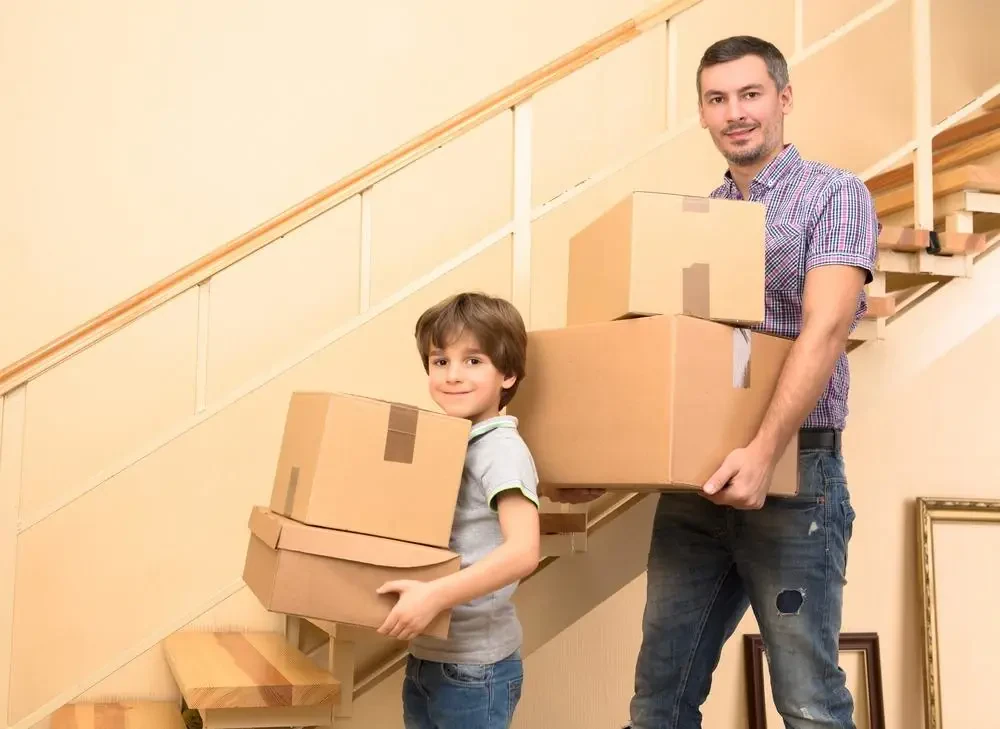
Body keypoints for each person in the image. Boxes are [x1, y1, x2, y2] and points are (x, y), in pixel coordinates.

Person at [556, 36, 879, 729]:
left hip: (795, 472)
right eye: (717, 99)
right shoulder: (696, 223)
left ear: (784, 99)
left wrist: (763, 451)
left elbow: (825, 329)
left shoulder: (836, 194)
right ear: (702, 114)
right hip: (696, 484)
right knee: (658, 701)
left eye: (750, 94)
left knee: (808, 703)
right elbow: (666, 366)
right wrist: (600, 467)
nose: (736, 112)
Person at [375, 291, 541, 729]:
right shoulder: (448, 445)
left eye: (473, 361)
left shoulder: (500, 449)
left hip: (475, 668)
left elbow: (524, 551)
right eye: (440, 361)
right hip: (429, 656)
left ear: (508, 374)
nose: (452, 375)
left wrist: (433, 596)